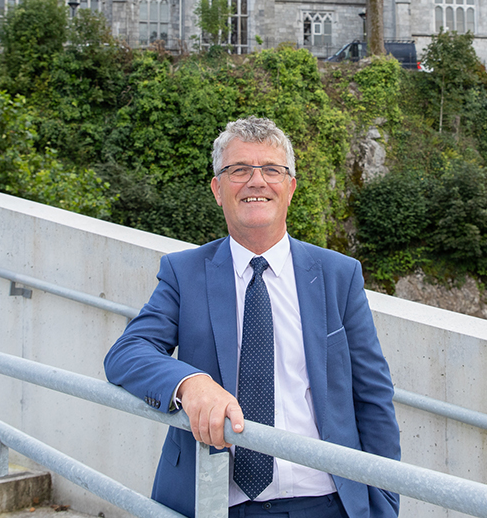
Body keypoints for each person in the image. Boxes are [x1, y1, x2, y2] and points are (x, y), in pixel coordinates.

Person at [104, 117, 400, 518]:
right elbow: (128, 352)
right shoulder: (184, 273)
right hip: (215, 503)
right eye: (239, 169)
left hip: (327, 502)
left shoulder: (338, 275)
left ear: (290, 188)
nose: (256, 181)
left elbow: (373, 396)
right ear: (217, 189)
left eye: (272, 170)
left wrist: (384, 505)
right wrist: (190, 384)